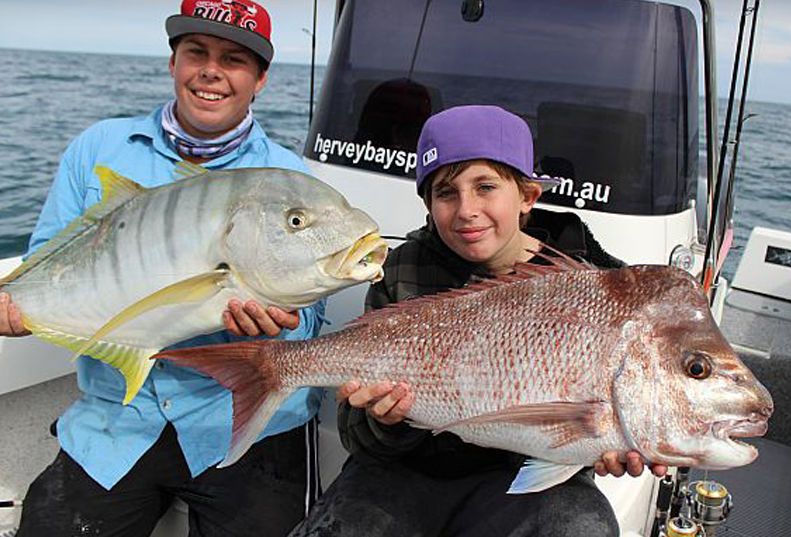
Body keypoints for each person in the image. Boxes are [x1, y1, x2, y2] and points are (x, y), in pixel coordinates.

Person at [0, 1, 325, 535]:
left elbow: (310, 319)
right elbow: (46, 261)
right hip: (117, 421)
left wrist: (286, 324)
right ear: (173, 62)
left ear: (261, 79)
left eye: (234, 59)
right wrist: (19, 310)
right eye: (196, 52)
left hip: (241, 422)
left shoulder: (287, 176)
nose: (211, 71)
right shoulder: (100, 148)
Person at [290, 105, 667, 537]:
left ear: (527, 196)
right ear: (429, 205)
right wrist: (387, 422)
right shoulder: (403, 271)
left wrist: (605, 446)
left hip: (519, 482)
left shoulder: (593, 286)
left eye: (485, 186)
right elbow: (360, 439)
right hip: (406, 472)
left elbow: (591, 420)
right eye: (446, 193)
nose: (467, 209)